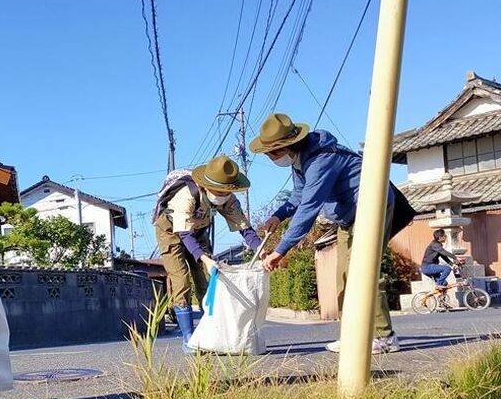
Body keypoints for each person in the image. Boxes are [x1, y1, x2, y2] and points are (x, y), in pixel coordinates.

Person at [252, 113, 401, 355]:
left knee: (365, 272)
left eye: (272, 153)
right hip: (347, 217)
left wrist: (280, 250)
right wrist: (277, 216)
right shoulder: (300, 162)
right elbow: (298, 197)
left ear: (287, 146)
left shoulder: (321, 159)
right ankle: (354, 335)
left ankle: (384, 336)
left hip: (372, 208)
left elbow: (309, 208)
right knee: (344, 277)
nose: (270, 158)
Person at [153, 155, 262, 353]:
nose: (222, 194)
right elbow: (184, 234)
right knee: (181, 280)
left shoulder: (228, 199)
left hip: (199, 231)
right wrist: (204, 258)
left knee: (207, 279)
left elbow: (245, 229)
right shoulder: (187, 195)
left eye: (226, 191)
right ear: (206, 185)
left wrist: (263, 251)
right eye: (218, 191)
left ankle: (211, 333)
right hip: (172, 231)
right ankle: (188, 337)